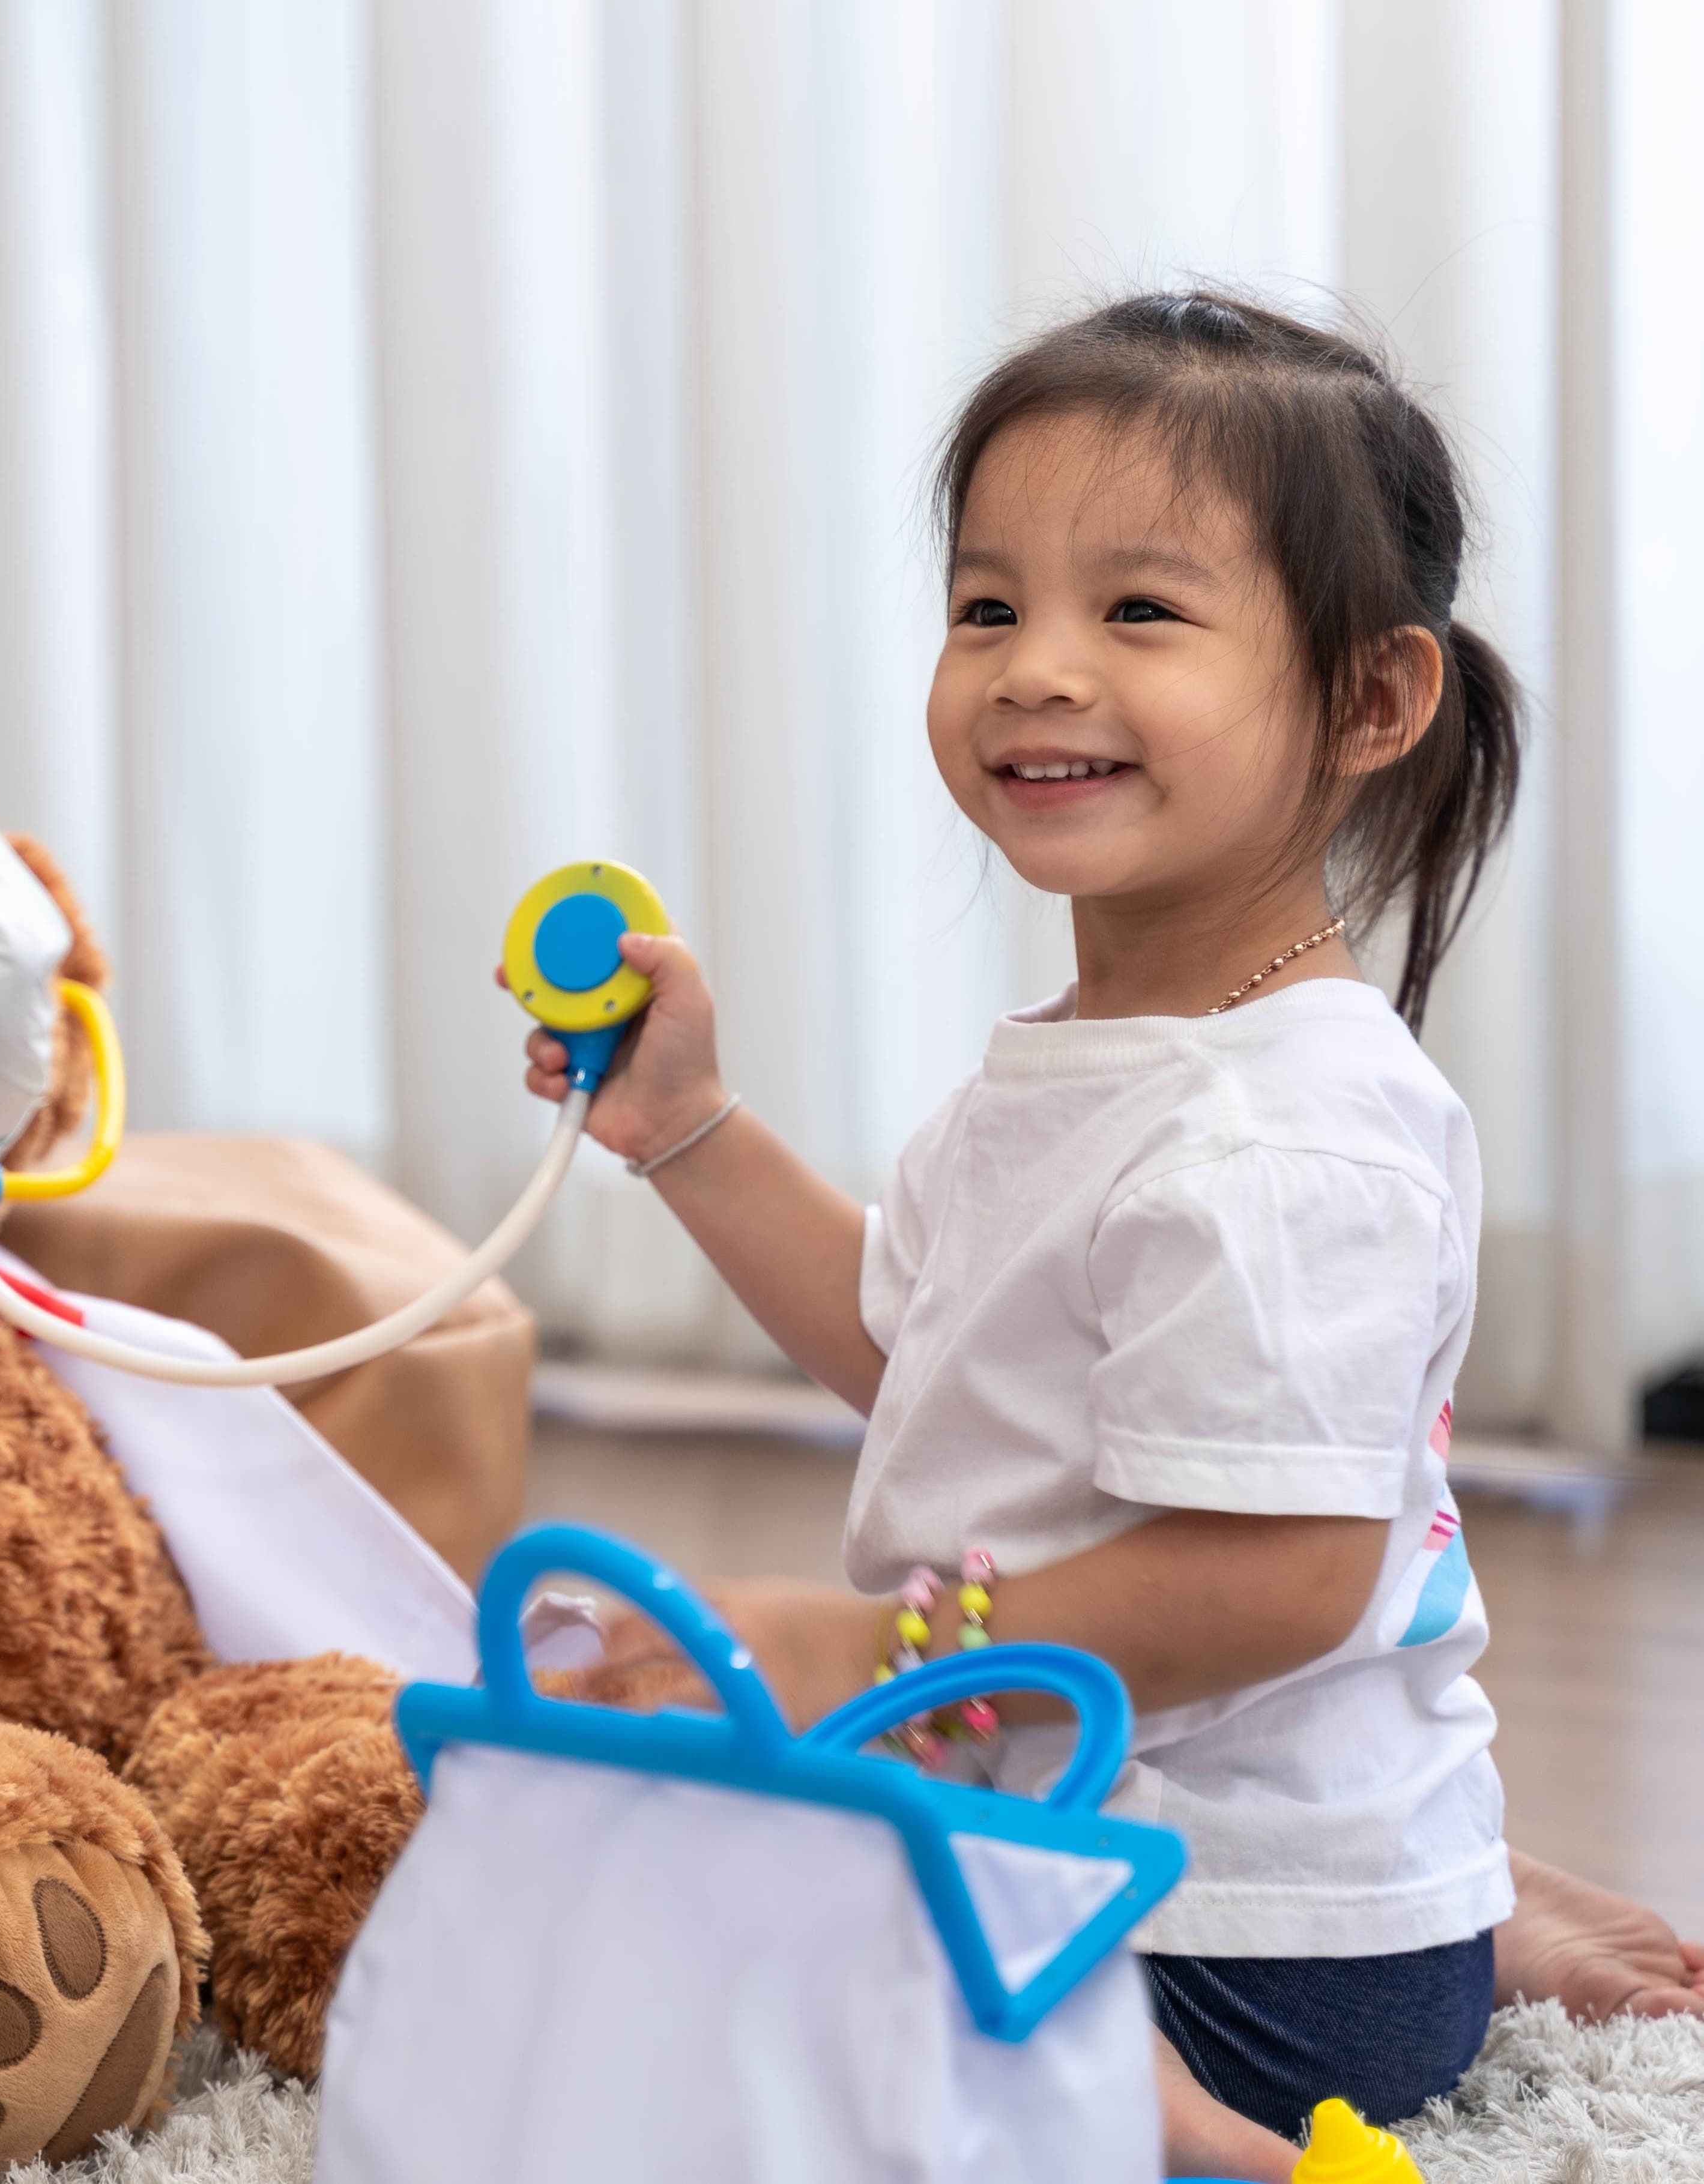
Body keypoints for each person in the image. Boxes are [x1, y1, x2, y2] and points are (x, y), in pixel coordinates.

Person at [507, 293, 1704, 2180]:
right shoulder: (1093, 1065)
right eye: (990, 606)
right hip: (1100, 1818)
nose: (1035, 669)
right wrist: (686, 1131)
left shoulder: (1289, 1132)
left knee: (696, 1985)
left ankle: (1323, 2025)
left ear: (1373, 700)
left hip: (1243, 1942)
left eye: (1138, 612)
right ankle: (1450, 1897)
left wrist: (868, 1645)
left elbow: (1287, 1576)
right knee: (634, 1821)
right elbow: (926, 1355)